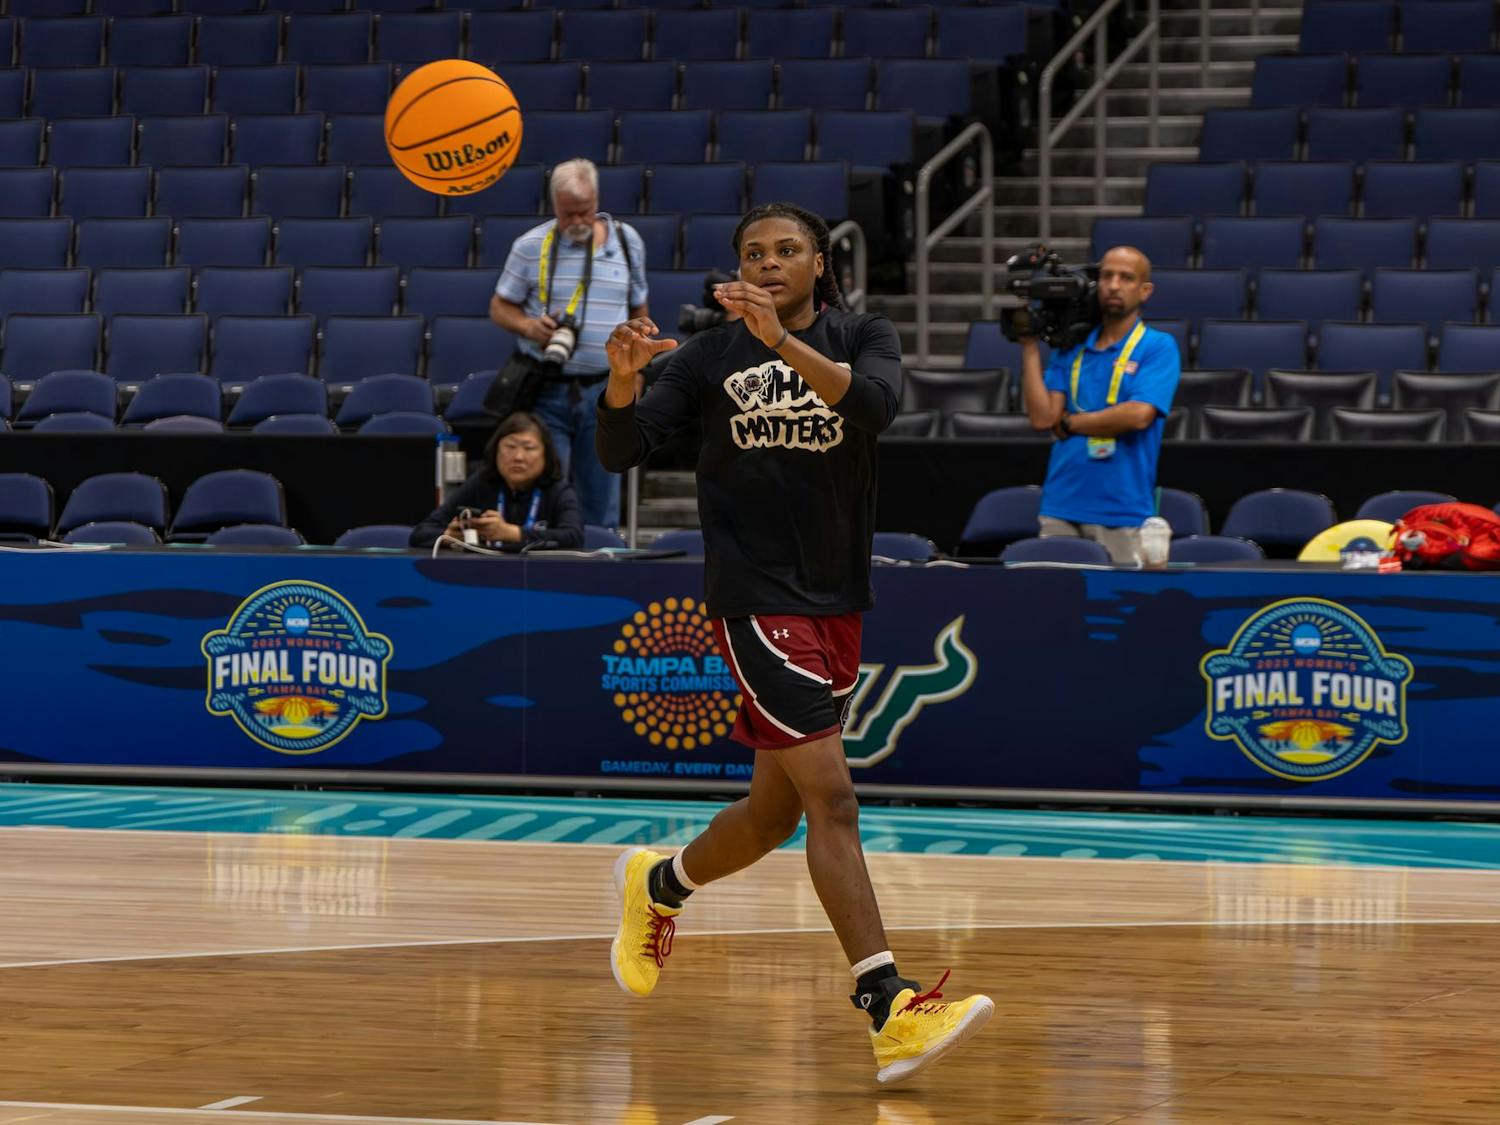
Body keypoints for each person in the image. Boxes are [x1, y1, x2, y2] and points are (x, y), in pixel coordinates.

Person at [595, 202, 993, 1085]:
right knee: (834, 801)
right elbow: (624, 449)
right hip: (753, 597)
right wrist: (621, 380)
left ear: (820, 263)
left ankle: (659, 886)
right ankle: (889, 1005)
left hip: (837, 596)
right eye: (752, 253)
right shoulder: (704, 356)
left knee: (774, 814)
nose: (768, 263)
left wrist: (780, 342)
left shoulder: (864, 334)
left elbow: (874, 407)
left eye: (785, 251)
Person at [489, 158, 649, 531]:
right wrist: (530, 327)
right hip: (546, 390)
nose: (577, 222)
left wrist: (637, 371)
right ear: (553, 206)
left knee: (601, 500)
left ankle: (602, 570)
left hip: (606, 390)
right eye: (567, 214)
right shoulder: (530, 246)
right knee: (547, 496)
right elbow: (499, 307)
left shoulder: (627, 241)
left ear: (597, 201)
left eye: (584, 212)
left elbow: (639, 306)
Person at [1021, 245, 1181, 563]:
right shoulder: (1072, 348)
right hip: (1061, 504)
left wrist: (1070, 423)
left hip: (1121, 507)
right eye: (1107, 275)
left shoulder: (1157, 346)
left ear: (1144, 290)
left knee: (1119, 607)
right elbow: (1042, 419)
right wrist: (1028, 347)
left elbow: (1138, 415)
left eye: (1126, 277)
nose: (1114, 284)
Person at [409, 412, 583, 552]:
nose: (518, 457)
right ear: (496, 449)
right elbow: (421, 533)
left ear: (546, 455)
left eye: (529, 448)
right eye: (510, 446)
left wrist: (512, 533)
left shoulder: (557, 489)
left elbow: (574, 537)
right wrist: (449, 536)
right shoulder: (482, 482)